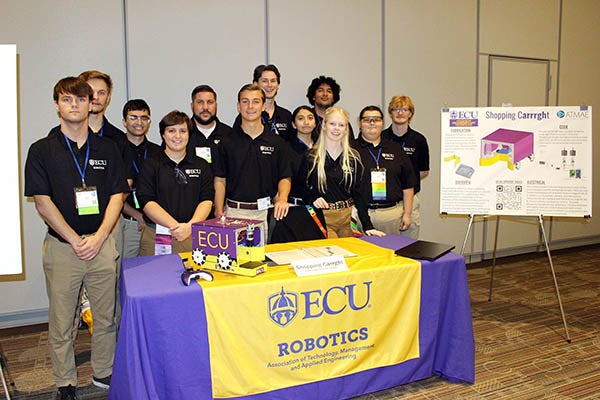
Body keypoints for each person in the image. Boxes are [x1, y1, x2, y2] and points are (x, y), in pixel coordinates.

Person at [24, 76, 128, 399]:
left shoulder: (108, 148)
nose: (75, 105)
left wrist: (99, 236)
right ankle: (65, 381)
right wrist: (74, 239)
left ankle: (103, 371)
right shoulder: (42, 150)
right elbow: (43, 202)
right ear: (57, 105)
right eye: (67, 100)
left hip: (101, 244)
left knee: (106, 316)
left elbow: (117, 195)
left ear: (90, 104)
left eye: (81, 99)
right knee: (62, 320)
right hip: (62, 247)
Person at [213, 83, 291, 237]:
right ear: (238, 106)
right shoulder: (226, 142)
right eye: (245, 101)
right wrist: (219, 210)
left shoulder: (276, 142)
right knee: (235, 260)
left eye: (256, 101)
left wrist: (282, 198)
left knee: (263, 260)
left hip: (266, 213)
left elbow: (284, 176)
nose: (250, 106)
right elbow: (220, 179)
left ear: (263, 106)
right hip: (233, 212)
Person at [136, 111, 214, 256]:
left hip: (193, 234)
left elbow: (207, 199)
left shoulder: (201, 165)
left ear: (189, 134)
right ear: (163, 135)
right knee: (155, 277)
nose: (177, 136)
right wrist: (175, 227)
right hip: (157, 235)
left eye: (182, 131)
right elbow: (146, 200)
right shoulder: (150, 164)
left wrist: (189, 227)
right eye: (171, 130)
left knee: (194, 277)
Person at [300, 107, 383, 238]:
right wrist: (313, 198)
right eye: (332, 124)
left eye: (341, 125)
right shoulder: (311, 157)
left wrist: (368, 226)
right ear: (324, 125)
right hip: (323, 217)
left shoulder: (353, 158)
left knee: (351, 255)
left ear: (346, 129)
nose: (336, 128)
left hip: (347, 218)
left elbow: (358, 194)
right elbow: (300, 187)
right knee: (334, 255)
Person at [354, 105, 416, 235]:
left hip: (392, 216)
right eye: (367, 119)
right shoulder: (350, 149)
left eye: (376, 119)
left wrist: (407, 214)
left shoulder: (395, 149)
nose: (372, 123)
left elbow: (408, 185)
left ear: (382, 123)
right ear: (360, 124)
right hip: (359, 215)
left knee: (392, 253)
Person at [269, 106, 327, 242]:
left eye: (310, 118)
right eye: (301, 118)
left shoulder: (322, 147)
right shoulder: (285, 148)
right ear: (294, 124)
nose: (306, 122)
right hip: (294, 207)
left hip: (319, 207)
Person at [382, 95, 429, 238]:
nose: (400, 113)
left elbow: (423, 171)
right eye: (396, 109)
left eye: (404, 109)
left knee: (409, 244)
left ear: (410, 113)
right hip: (387, 201)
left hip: (411, 200)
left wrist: (405, 183)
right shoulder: (382, 137)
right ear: (390, 113)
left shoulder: (419, 140)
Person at [120, 99, 162, 258]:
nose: (139, 122)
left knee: (155, 271)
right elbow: (113, 194)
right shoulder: (114, 150)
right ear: (124, 121)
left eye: (144, 118)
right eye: (133, 117)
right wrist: (138, 216)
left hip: (154, 224)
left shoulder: (158, 152)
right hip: (128, 222)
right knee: (125, 272)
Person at [233, 64, 293, 140]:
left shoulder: (286, 116)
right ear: (255, 84)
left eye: (273, 81)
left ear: (278, 85)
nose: (269, 85)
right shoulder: (246, 116)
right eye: (265, 81)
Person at [187, 84, 232, 165]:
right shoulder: (181, 135)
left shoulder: (230, 134)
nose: (205, 107)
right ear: (192, 106)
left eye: (210, 102)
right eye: (200, 102)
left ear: (216, 105)